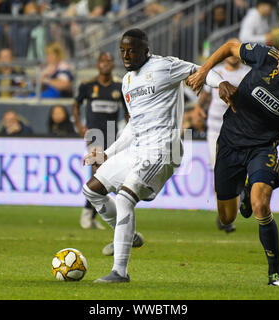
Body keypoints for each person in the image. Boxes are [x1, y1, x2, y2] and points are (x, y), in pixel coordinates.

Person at [81, 28, 221, 283]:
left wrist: (221, 84)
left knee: (124, 199)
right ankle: (128, 235)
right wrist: (107, 153)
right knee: (92, 190)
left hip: (163, 147)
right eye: (122, 50)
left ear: (145, 50)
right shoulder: (127, 81)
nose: (126, 55)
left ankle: (119, 272)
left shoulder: (164, 67)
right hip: (138, 148)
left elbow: (200, 71)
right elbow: (134, 125)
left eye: (131, 50)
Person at [187, 33, 279, 286]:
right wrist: (205, 72)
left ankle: (275, 275)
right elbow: (230, 46)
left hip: (262, 147)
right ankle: (245, 190)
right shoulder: (266, 57)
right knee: (227, 218)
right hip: (230, 142)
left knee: (260, 205)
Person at [192, 42, 251, 233]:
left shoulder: (247, 73)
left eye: (236, 53)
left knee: (239, 166)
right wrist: (198, 109)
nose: (233, 56)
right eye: (230, 53)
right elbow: (204, 97)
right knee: (219, 170)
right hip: (215, 128)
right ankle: (224, 214)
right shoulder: (215, 72)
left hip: (239, 128)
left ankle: (240, 195)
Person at [73, 52, 127, 234]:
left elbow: (127, 110)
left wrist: (130, 130)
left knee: (105, 173)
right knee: (99, 169)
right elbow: (76, 104)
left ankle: (90, 213)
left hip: (112, 135)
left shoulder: (119, 86)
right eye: (103, 60)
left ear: (113, 64)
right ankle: (88, 213)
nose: (106, 63)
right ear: (97, 64)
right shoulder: (87, 85)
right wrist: (80, 125)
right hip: (94, 135)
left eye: (109, 60)